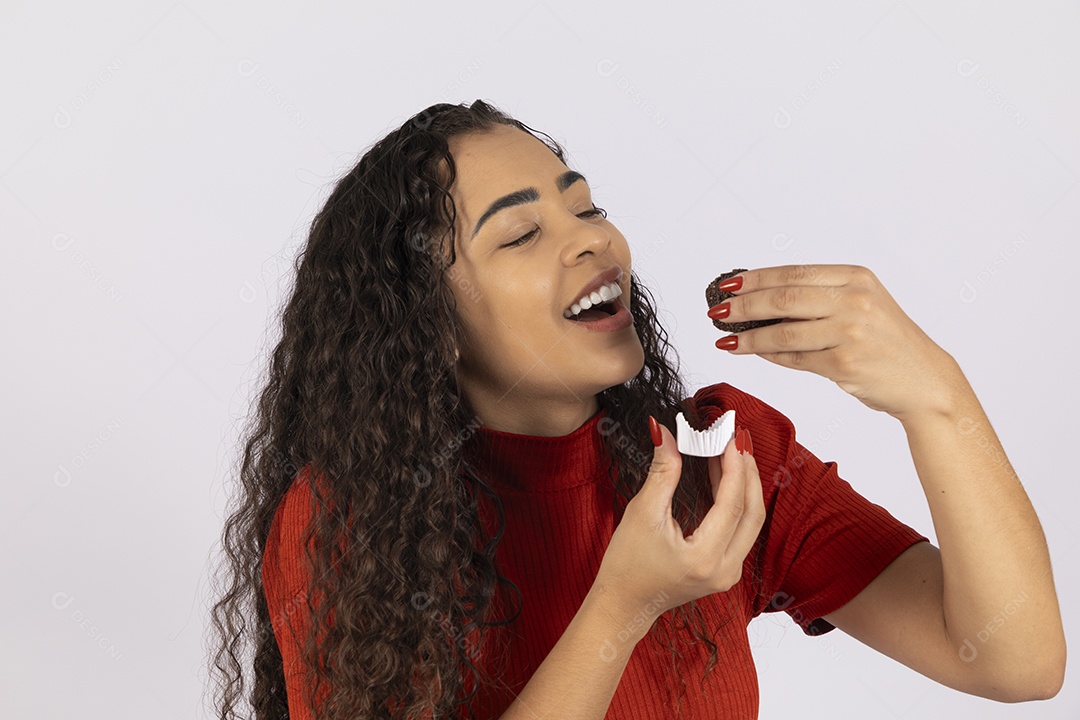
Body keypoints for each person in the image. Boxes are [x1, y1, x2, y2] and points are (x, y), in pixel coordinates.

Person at [208, 100, 1066, 720]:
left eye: (585, 206)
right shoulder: (350, 521)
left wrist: (938, 398)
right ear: (427, 327)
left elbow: (1014, 661)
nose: (592, 239)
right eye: (520, 234)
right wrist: (622, 607)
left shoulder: (721, 455)